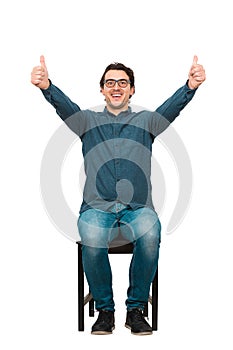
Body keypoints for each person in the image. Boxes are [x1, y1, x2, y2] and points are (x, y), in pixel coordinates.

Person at [31, 56, 206, 335]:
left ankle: (135, 309)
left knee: (150, 233)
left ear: (132, 90)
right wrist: (46, 86)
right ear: (102, 89)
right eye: (110, 82)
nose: (116, 87)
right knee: (91, 235)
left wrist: (190, 86)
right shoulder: (87, 121)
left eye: (123, 83)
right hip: (96, 209)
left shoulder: (147, 121)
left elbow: (171, 109)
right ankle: (105, 311)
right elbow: (64, 108)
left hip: (137, 208)